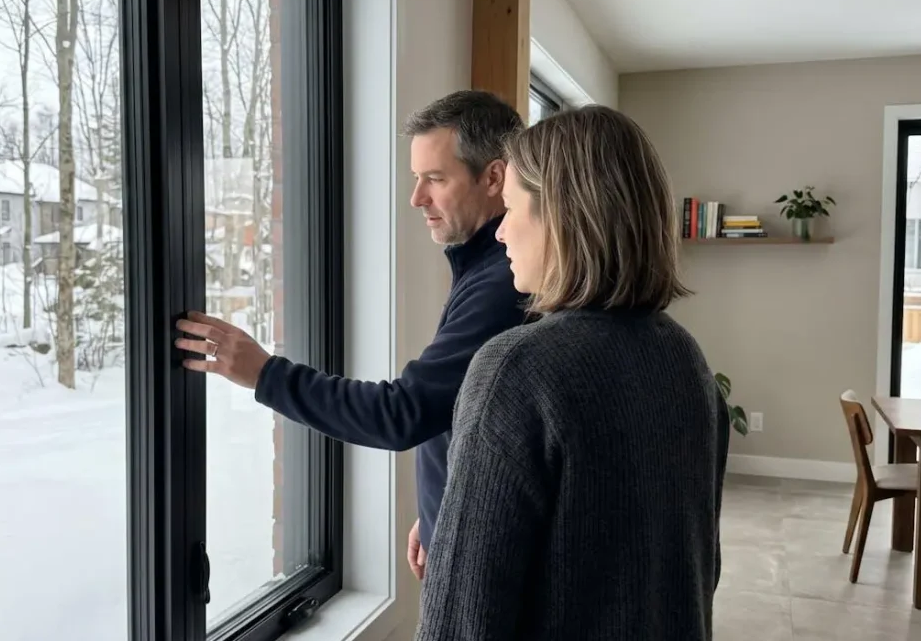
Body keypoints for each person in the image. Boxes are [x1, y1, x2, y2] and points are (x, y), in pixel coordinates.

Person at [174, 90, 528, 579]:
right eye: (415, 178)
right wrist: (436, 507)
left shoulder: (502, 283)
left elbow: (402, 413)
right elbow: (465, 411)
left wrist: (265, 374)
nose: (416, 197)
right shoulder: (485, 268)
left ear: (493, 177)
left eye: (435, 179)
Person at [415, 105, 729, 641]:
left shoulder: (517, 368)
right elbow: (695, 567)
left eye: (511, 209)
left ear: (562, 215)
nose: (500, 234)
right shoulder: (683, 355)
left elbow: (462, 623)